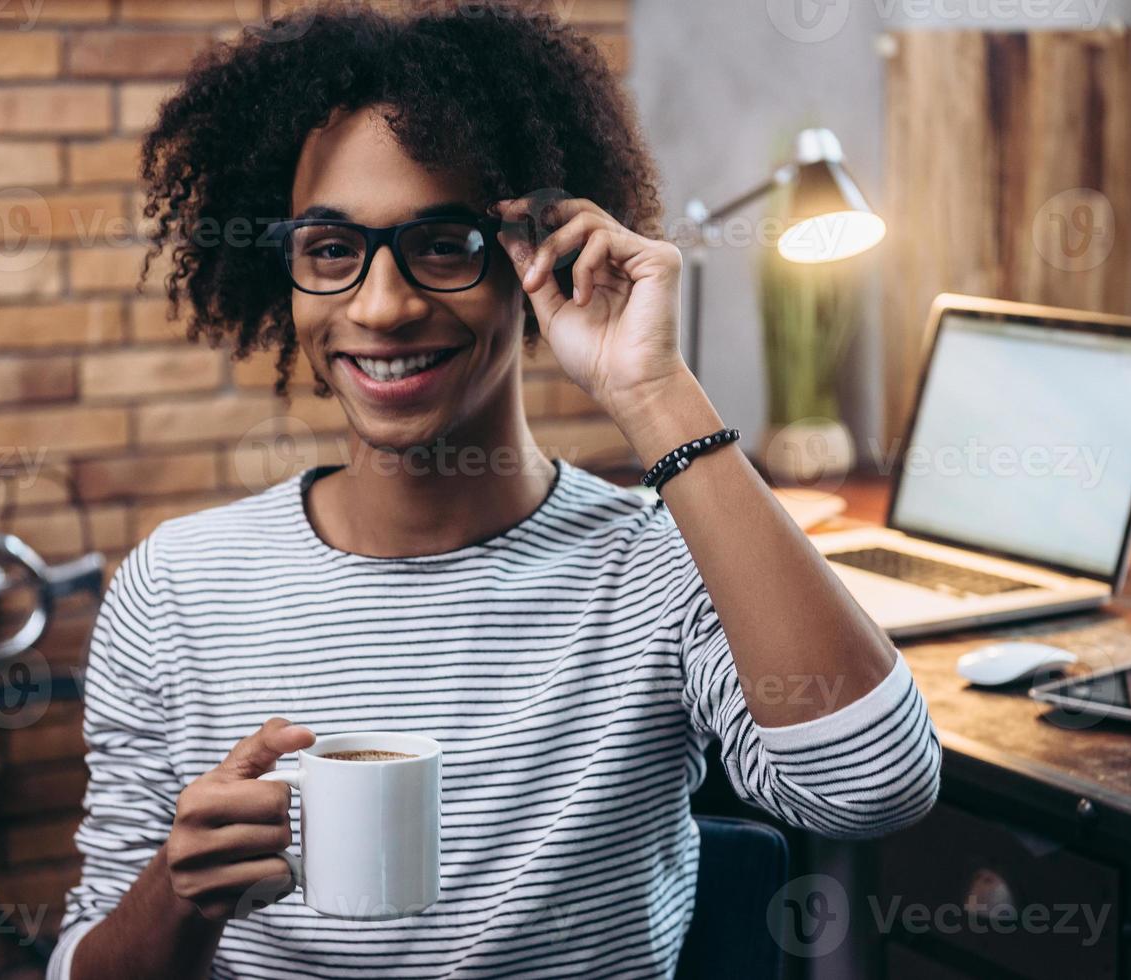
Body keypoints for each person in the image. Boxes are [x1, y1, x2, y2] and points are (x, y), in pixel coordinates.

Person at [50, 5, 940, 978]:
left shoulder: (662, 564)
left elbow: (872, 790)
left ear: (532, 260)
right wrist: (177, 894)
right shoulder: (177, 584)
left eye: (442, 243)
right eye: (330, 249)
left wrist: (653, 393)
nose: (381, 306)